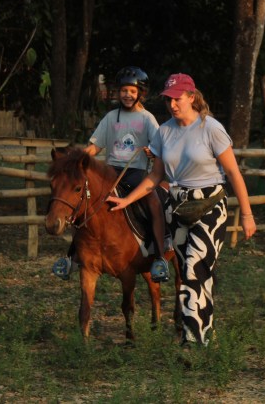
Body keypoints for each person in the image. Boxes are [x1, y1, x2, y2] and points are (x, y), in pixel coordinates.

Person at [106, 72, 256, 349]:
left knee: (194, 270)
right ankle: (205, 336)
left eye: (177, 99)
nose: (172, 105)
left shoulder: (210, 128)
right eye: (168, 100)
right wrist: (127, 201)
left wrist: (247, 214)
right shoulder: (165, 131)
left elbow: (234, 173)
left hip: (209, 205)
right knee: (191, 272)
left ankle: (191, 341)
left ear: (191, 97)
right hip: (177, 207)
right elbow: (155, 176)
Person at [52, 66, 171, 282]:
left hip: (136, 172)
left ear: (141, 93)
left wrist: (151, 152)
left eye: (132, 91)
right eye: (124, 90)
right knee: (83, 204)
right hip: (110, 171)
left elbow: (158, 147)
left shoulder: (147, 119)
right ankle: (70, 257)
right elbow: (95, 146)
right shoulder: (110, 117)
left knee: (154, 203)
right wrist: (78, 158)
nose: (127, 95)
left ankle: (160, 257)